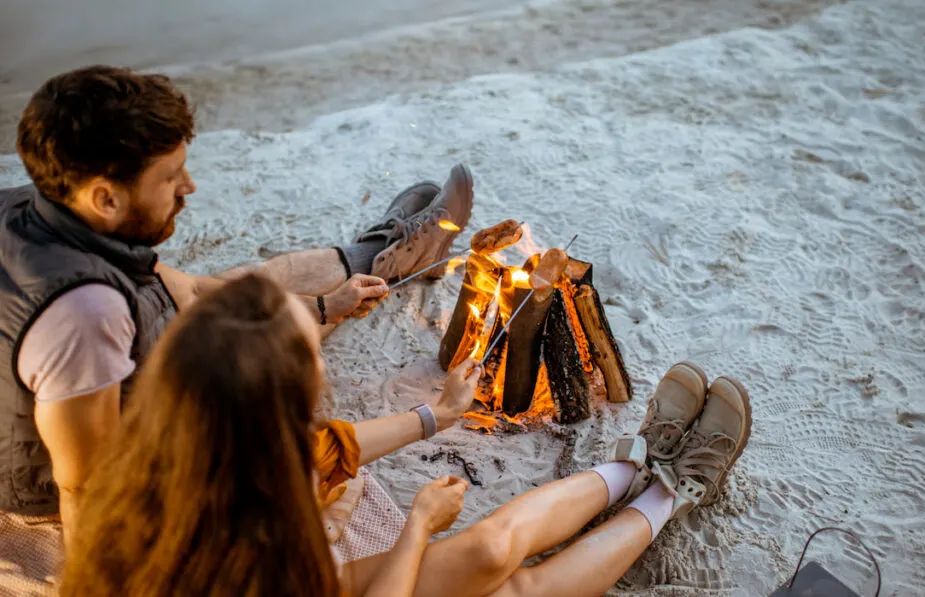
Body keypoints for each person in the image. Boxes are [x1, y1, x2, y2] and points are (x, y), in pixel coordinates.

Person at [0, 64, 474, 547]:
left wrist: (327, 306)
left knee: (251, 286)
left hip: (105, 374)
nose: (189, 186)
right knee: (274, 415)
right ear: (105, 198)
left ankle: (373, 256)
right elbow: (84, 484)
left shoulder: (35, 205)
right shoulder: (84, 314)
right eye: (169, 177)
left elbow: (193, 291)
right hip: (68, 470)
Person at [61, 274, 752, 597]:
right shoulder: (240, 552)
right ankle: (671, 494)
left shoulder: (185, 451)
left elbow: (328, 447)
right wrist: (418, 523)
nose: (324, 372)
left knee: (489, 546)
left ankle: (638, 466)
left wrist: (436, 417)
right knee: (516, 590)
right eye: (314, 363)